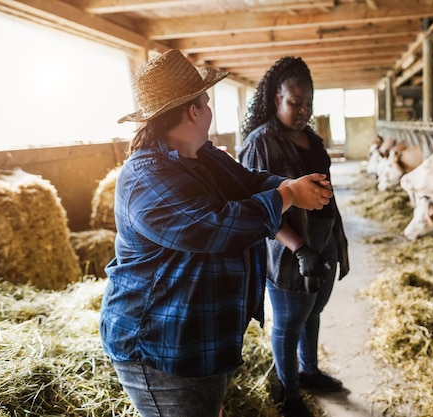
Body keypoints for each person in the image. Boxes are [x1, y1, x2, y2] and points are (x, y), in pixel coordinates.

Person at [99, 49, 335, 417]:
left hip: (200, 336)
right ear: (194, 110)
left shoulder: (203, 155)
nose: (208, 109)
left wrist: (288, 184)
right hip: (161, 345)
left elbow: (249, 181)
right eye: (205, 102)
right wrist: (288, 195)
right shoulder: (146, 176)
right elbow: (211, 226)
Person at [238, 56, 350, 417]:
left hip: (324, 242)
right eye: (294, 103)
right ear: (275, 99)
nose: (303, 111)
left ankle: (309, 372)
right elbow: (257, 205)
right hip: (289, 252)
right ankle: (288, 393)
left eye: (308, 104)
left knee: (312, 311)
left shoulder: (313, 140)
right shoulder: (262, 143)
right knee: (288, 324)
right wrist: (300, 248)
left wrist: (329, 244)